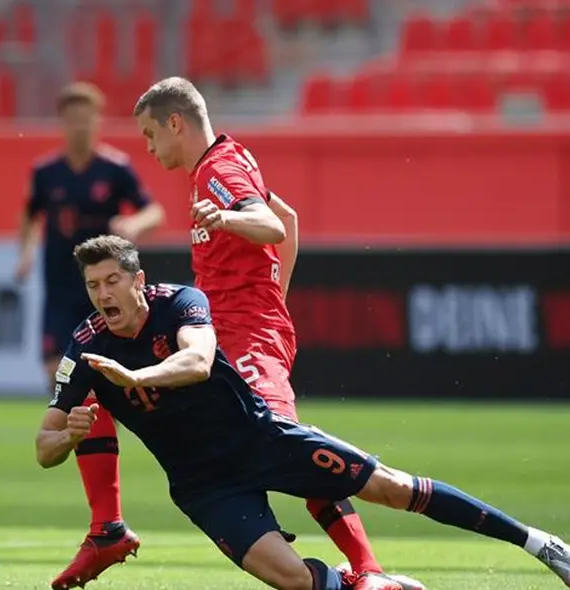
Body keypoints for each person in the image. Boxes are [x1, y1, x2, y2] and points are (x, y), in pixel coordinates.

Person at [35, 235, 570, 590]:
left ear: (137, 280)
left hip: (262, 438)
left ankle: (538, 543)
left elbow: (200, 359)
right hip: (204, 485)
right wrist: (68, 436)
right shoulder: (85, 347)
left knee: (393, 488)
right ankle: (369, 586)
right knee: (288, 578)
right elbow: (45, 445)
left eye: (112, 281)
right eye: (92, 286)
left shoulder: (180, 300)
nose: (103, 294)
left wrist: (137, 379)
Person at [127, 76, 424, 590]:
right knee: (266, 450)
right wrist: (274, 298)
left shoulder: (217, 171)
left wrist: (227, 225)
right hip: (241, 333)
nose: (150, 149)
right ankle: (350, 570)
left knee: (292, 451)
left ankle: (371, 573)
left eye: (151, 135)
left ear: (176, 122)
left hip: (245, 338)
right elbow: (287, 214)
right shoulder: (228, 159)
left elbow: (272, 225)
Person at [13, 82, 164, 589]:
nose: (80, 126)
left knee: (88, 386)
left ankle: (107, 520)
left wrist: (133, 224)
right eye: (72, 117)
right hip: (61, 295)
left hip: (105, 298)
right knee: (61, 384)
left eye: (87, 117)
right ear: (63, 121)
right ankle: (105, 513)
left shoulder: (115, 168)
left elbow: (153, 209)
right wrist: (26, 253)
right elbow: (31, 215)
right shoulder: (46, 172)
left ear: (97, 121)